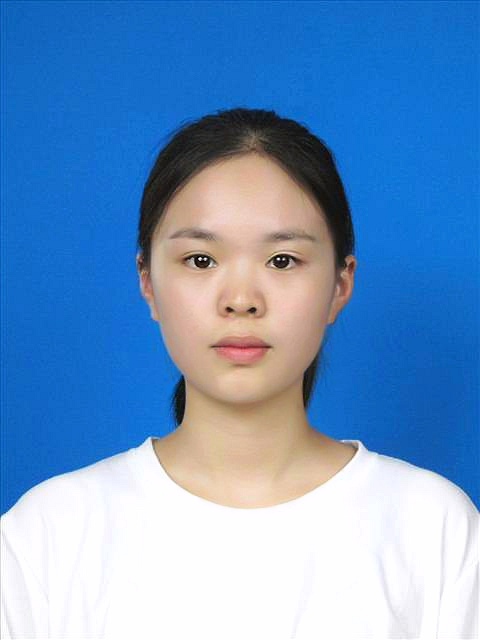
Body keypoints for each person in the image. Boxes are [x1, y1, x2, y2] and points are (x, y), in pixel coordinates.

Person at [1, 107, 478, 639]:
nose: (242, 300)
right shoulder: (49, 534)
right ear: (148, 281)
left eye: (282, 260)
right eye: (201, 260)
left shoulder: (432, 528)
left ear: (340, 284)